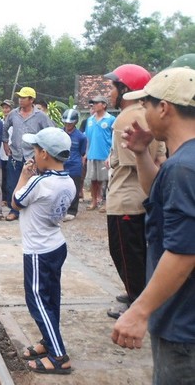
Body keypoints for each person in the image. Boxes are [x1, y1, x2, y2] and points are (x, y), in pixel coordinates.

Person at [111, 66, 195, 383]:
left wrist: (139, 310)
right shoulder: (182, 162)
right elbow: (160, 194)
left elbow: (184, 251)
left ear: (164, 108)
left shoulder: (183, 168)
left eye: (146, 104)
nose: (142, 112)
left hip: (183, 323)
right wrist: (142, 152)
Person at [104, 64, 166, 319]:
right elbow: (160, 158)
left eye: (111, 87)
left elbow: (132, 161)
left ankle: (138, 301)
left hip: (127, 198)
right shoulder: (150, 114)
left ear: (125, 89)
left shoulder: (126, 118)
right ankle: (137, 292)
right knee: (140, 251)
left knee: (126, 253)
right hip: (143, 197)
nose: (108, 93)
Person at [13, 127, 75, 375]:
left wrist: (23, 175)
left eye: (36, 150)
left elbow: (16, 201)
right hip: (56, 246)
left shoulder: (39, 182)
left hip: (38, 251)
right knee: (51, 299)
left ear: (45, 155)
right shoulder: (67, 181)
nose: (33, 154)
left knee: (37, 301)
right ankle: (49, 342)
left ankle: (59, 356)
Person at [2, 87, 53, 221]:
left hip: (33, 157)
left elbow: (51, 131)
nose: (20, 100)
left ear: (31, 100)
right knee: (12, 184)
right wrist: (5, 143)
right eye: (19, 97)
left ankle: (32, 211)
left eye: (24, 98)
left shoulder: (40, 116)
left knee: (33, 184)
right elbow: (4, 129)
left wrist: (43, 150)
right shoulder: (13, 114)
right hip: (16, 155)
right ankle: (14, 211)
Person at [84, 95, 115, 212]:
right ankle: (94, 201)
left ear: (104, 105)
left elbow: (114, 139)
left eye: (97, 103)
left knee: (107, 181)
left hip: (105, 155)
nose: (95, 105)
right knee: (93, 180)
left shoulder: (111, 119)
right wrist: (86, 154)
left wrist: (111, 154)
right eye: (94, 103)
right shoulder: (90, 120)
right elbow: (88, 138)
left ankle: (107, 203)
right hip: (92, 154)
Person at [60, 108, 87, 222]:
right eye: (66, 122)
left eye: (70, 123)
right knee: (60, 188)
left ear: (75, 122)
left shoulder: (81, 137)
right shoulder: (59, 133)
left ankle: (72, 211)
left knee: (74, 189)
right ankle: (61, 209)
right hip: (61, 164)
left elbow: (82, 152)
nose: (68, 125)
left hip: (75, 166)